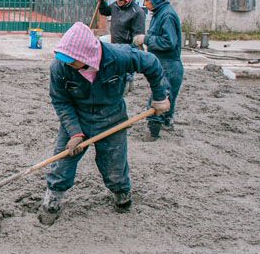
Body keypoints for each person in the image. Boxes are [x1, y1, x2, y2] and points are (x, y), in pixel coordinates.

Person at [39, 22, 170, 226]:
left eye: (71, 59)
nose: (66, 62)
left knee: (114, 167)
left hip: (111, 119)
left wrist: (160, 96)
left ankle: (122, 196)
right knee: (61, 164)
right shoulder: (60, 67)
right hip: (78, 119)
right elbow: (61, 101)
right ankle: (52, 201)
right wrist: (74, 132)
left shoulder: (119, 56)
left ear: (86, 55)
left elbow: (152, 63)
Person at [133, 0, 183, 141]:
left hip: (169, 64)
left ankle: (153, 133)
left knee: (159, 98)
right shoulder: (160, 13)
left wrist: (146, 39)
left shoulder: (166, 15)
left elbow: (169, 42)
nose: (145, 3)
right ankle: (167, 125)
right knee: (168, 96)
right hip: (163, 63)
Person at [97, 0, 146, 92]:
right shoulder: (115, 6)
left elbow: (138, 35)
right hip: (115, 42)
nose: (117, 1)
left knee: (126, 67)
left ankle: (128, 83)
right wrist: (102, 3)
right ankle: (120, 83)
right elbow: (105, 11)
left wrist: (133, 50)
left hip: (127, 46)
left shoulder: (137, 12)